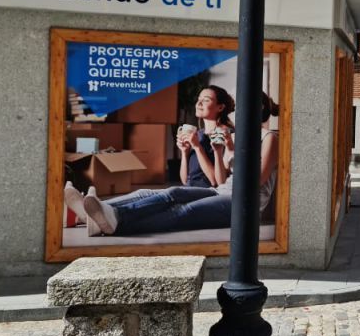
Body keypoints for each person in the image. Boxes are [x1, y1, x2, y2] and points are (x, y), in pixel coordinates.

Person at [76, 92, 279, 237]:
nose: (237, 111)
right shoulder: (237, 137)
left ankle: (117, 221)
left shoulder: (269, 138)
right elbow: (221, 179)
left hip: (245, 204)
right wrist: (221, 150)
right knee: (173, 193)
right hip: (221, 192)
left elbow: (257, 181)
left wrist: (231, 150)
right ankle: (100, 214)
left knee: (183, 211)